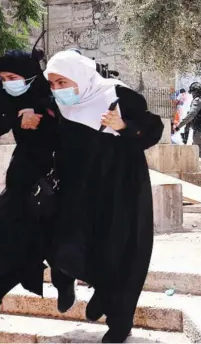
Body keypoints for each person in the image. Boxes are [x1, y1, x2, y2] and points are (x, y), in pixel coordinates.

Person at [43, 50, 164, 342]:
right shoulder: (60, 106)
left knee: (119, 251)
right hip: (78, 189)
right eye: (53, 84)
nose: (58, 89)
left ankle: (119, 322)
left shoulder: (120, 97)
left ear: (80, 76)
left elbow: (153, 130)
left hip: (120, 190)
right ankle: (80, 283)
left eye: (62, 81)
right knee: (65, 242)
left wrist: (124, 128)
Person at [0, 50, 76, 343]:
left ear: (30, 74)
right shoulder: (5, 93)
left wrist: (45, 117)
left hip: (59, 179)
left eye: (12, 77)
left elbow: (73, 128)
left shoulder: (52, 88)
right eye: (3, 78)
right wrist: (15, 116)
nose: (7, 83)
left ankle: (65, 280)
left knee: (57, 242)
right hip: (22, 178)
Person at [174, 82, 201, 172]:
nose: (192, 95)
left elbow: (191, 115)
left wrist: (179, 126)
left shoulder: (197, 100)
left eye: (192, 92)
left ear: (195, 92)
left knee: (198, 153)